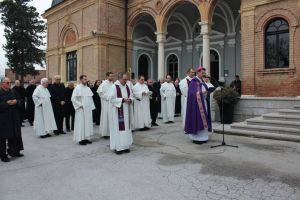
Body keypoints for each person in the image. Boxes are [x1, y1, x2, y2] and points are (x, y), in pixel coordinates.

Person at [185, 67, 211, 144]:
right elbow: (192, 94)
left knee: (204, 120)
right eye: (202, 73)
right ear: (198, 72)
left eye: (204, 73)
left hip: (203, 103)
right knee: (197, 120)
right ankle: (197, 138)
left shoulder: (202, 82)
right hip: (196, 106)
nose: (204, 74)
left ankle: (204, 137)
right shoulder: (193, 82)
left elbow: (204, 91)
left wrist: (207, 92)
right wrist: (201, 93)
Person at [0, 78, 24, 162]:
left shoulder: (13, 91)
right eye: (7, 82)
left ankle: (14, 152)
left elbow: (21, 101)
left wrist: (16, 102)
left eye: (10, 82)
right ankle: (3, 155)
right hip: (3, 119)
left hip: (14, 117)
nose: (9, 84)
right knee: (3, 138)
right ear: (2, 84)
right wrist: (6, 103)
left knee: (15, 134)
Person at [109, 72, 133, 155]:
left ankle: (125, 146)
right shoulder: (114, 87)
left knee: (126, 129)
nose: (126, 81)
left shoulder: (127, 87)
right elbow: (111, 99)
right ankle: (118, 148)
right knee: (119, 129)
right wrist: (122, 100)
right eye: (124, 79)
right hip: (118, 112)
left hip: (126, 111)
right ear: (119, 78)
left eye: (127, 79)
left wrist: (130, 99)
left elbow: (131, 96)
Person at [71, 75, 95, 145]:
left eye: (86, 79)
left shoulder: (88, 88)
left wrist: (92, 107)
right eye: (84, 79)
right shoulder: (77, 88)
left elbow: (90, 98)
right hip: (81, 109)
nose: (86, 80)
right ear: (81, 80)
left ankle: (87, 138)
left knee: (88, 123)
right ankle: (81, 139)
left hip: (88, 109)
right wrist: (80, 105)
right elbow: (73, 99)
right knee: (81, 124)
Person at [97, 72, 114, 138]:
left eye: (112, 76)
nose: (112, 77)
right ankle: (105, 133)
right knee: (106, 117)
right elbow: (100, 93)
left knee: (111, 117)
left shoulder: (112, 84)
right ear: (107, 77)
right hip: (106, 103)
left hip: (112, 103)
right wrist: (107, 97)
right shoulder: (103, 84)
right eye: (110, 76)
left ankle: (111, 132)